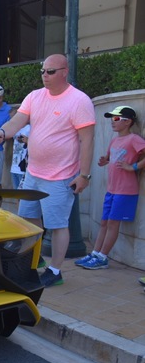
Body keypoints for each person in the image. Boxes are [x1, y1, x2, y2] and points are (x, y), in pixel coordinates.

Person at [0, 54, 96, 287]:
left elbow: (87, 141)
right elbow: (17, 122)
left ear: (64, 71)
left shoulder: (79, 101)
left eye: (50, 72)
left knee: (58, 225)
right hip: (33, 173)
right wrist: (2, 133)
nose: (44, 76)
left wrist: (84, 175)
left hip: (61, 177)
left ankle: (55, 270)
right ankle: (35, 258)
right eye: (42, 71)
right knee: (28, 218)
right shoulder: (35, 96)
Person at [74, 106, 145, 270]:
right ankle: (95, 253)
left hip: (125, 191)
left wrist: (133, 167)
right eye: (111, 119)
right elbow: (109, 157)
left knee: (113, 224)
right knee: (104, 222)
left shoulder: (133, 138)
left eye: (116, 119)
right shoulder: (115, 140)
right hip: (112, 189)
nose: (112, 122)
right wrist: (104, 160)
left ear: (127, 122)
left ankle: (103, 257)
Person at [11, 124, 30, 189]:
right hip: (14, 167)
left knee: (24, 195)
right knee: (17, 195)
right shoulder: (15, 127)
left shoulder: (30, 127)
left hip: (24, 169)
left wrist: (27, 140)